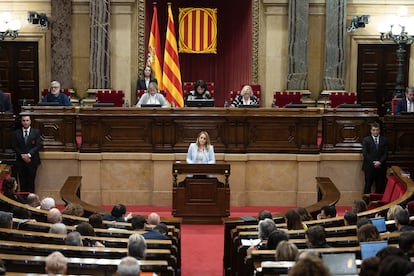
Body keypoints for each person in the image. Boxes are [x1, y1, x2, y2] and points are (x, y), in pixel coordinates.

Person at [12, 115, 41, 193]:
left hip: (32, 160)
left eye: (27, 120)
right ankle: (23, 200)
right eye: (24, 120)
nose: (25, 122)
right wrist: (22, 155)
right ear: (21, 122)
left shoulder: (36, 132)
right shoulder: (16, 133)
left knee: (31, 182)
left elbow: (38, 146)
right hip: (20, 161)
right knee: (22, 182)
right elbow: (14, 146)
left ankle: (31, 200)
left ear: (30, 121)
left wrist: (28, 155)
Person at [362, 122, 388, 194]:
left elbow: (385, 153)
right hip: (369, 167)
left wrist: (380, 162)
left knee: (380, 186)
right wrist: (373, 162)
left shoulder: (384, 140)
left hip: (381, 167)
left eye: (377, 130)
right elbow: (365, 153)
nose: (375, 131)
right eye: (373, 130)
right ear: (371, 130)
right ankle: (366, 203)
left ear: (379, 130)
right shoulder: (366, 140)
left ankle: (378, 203)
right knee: (368, 186)